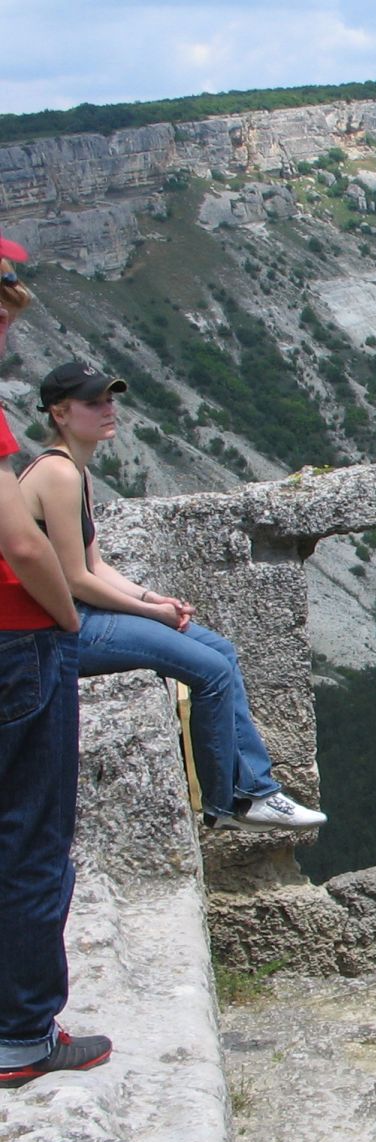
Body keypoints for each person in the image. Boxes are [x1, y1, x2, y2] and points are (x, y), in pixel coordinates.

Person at [19, 362, 325, 834]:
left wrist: (153, 596)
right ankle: (231, 803)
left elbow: (96, 565)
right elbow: (75, 578)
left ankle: (256, 792)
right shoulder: (57, 473)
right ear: (60, 413)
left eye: (109, 399)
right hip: (57, 627)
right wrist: (151, 612)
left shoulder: (74, 471)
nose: (108, 409)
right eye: (93, 402)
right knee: (212, 671)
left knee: (221, 650)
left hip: (75, 611)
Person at [0, 233, 112, 1088]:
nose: (10, 321)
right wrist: (67, 619)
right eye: (4, 304)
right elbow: (28, 550)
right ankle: (24, 1033)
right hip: (18, 641)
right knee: (34, 838)